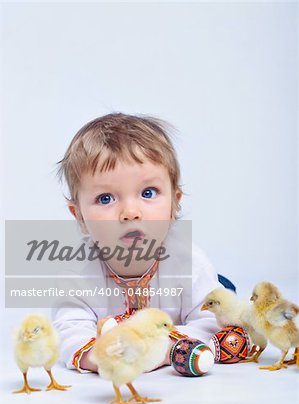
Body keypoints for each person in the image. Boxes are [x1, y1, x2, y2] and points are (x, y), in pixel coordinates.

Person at [52, 113, 221, 373]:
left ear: (175, 203)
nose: (130, 212)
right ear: (80, 216)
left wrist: (164, 349)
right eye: (106, 198)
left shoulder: (189, 261)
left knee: (225, 300)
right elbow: (69, 329)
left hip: (191, 301)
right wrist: (99, 356)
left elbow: (210, 322)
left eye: (147, 193)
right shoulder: (76, 272)